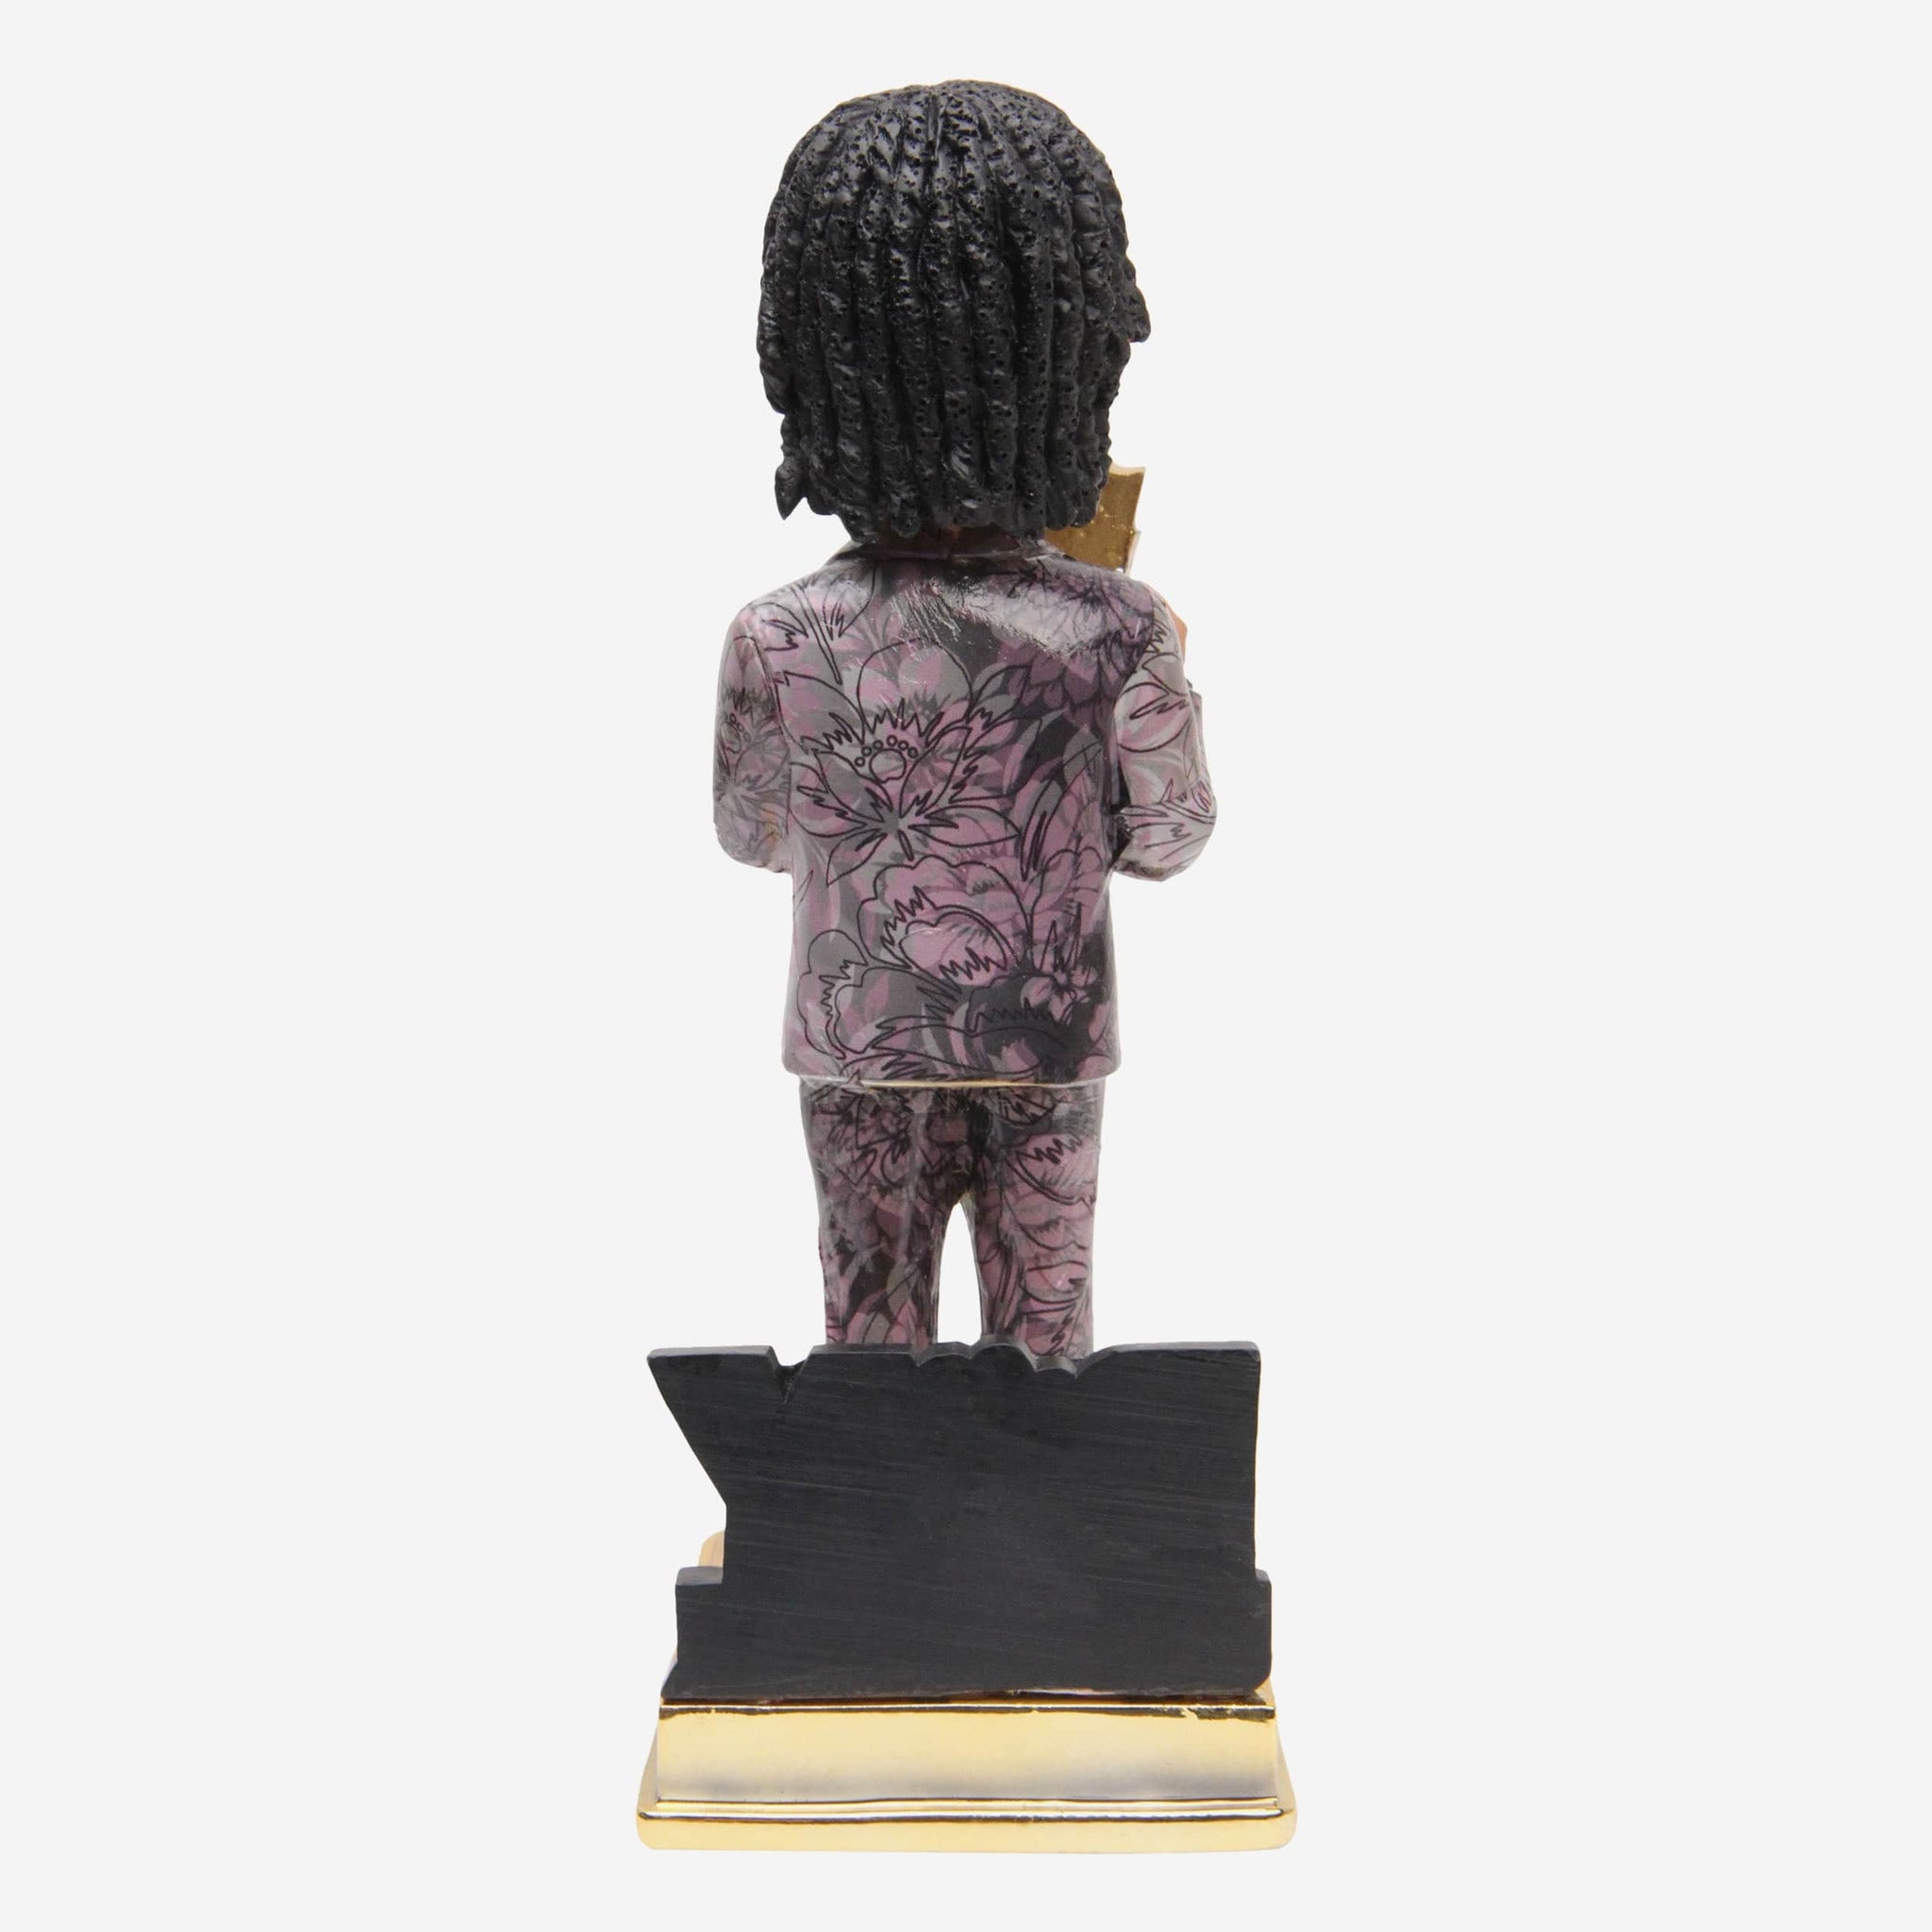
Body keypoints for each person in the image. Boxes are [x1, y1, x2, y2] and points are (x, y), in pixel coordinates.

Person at [712, 82, 1213, 1358]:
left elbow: (753, 832)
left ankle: (866, 1488)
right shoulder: (1116, 626)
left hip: (856, 1037)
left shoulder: (777, 632)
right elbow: (1171, 839)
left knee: (869, 1328)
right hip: (1047, 1039)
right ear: (1070, 361)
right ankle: (1041, 1492)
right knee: (1046, 1329)